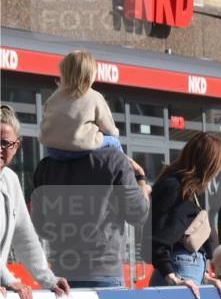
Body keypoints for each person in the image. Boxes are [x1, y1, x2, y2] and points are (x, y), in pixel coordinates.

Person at [31, 106, 150, 289]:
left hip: (62, 277)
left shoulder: (45, 167)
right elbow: (138, 214)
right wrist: (141, 179)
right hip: (104, 274)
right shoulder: (114, 160)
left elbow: (41, 228)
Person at [0, 106, 71, 299]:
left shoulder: (11, 180)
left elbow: (25, 237)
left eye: (5, 143)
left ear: (17, 146)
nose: (0, 148)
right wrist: (7, 278)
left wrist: (48, 279)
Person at [149, 132, 221, 299]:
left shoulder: (185, 189)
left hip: (187, 273)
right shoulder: (175, 187)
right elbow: (159, 238)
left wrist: (204, 276)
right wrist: (171, 276)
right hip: (180, 272)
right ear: (209, 164)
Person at [39, 50, 122, 158]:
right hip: (81, 149)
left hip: (54, 151)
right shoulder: (94, 96)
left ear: (63, 72)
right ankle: (128, 168)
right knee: (114, 141)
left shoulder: (52, 98)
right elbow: (110, 129)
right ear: (91, 74)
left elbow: (45, 122)